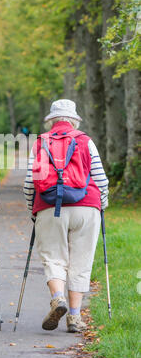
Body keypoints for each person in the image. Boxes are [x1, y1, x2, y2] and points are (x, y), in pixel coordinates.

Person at [23, 99, 109, 333]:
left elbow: (30, 183)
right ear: (74, 120)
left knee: (53, 258)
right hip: (86, 206)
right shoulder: (85, 141)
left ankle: (58, 298)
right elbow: (100, 179)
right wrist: (102, 204)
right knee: (81, 260)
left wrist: (34, 209)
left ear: (51, 120)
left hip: (49, 206)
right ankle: (74, 316)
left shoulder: (40, 142)